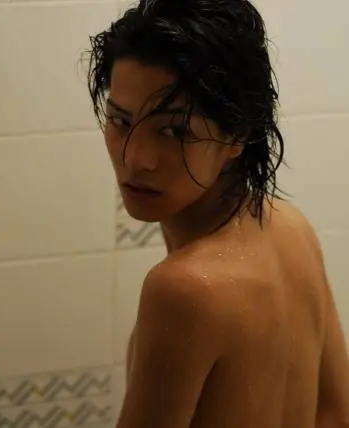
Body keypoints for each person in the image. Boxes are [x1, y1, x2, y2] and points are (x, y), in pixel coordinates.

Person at [85, 0, 349, 427]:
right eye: (120, 121)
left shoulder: (182, 290)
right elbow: (336, 415)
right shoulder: (292, 227)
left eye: (174, 130)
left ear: (237, 135)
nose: (135, 158)